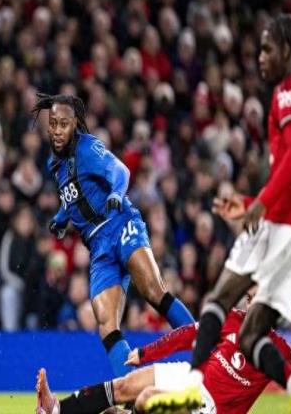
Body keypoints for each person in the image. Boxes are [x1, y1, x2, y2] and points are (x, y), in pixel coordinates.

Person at [189, 14, 291, 414]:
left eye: (268, 49)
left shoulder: (287, 93)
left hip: (282, 223)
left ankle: (190, 384)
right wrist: (252, 201)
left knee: (218, 300)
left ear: (287, 50)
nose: (260, 57)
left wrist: (261, 204)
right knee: (251, 336)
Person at [32, 93, 194, 376]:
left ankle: (206, 359)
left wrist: (117, 194)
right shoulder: (54, 164)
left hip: (120, 224)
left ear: (75, 125)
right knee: (106, 322)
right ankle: (130, 389)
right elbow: (75, 196)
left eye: (64, 124)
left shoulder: (87, 147)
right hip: (98, 247)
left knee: (153, 290)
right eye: (53, 123)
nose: (57, 130)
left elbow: (120, 170)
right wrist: (60, 218)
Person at [35, 289, 291, 414]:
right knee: (126, 386)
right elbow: (189, 335)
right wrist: (146, 353)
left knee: (145, 400)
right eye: (251, 298)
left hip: (210, 407)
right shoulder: (232, 319)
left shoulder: (278, 351)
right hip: (192, 378)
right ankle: (55, 410)